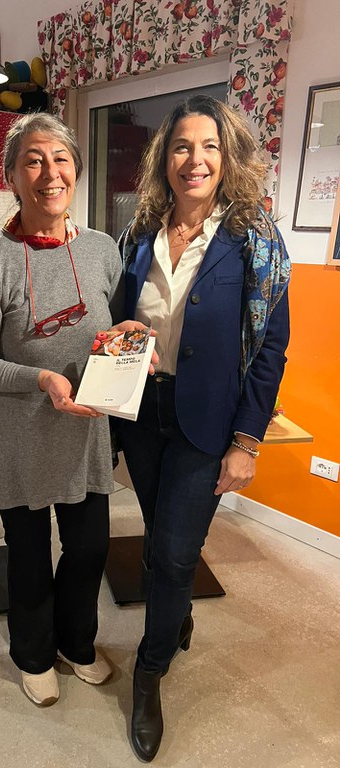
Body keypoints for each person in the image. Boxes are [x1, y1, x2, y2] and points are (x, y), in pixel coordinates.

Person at [0, 112, 150, 707]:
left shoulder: (101, 250)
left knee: (88, 551)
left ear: (76, 170)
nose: (50, 173)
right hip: (17, 439)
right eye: (33, 161)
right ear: (12, 176)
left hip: (85, 435)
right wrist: (41, 379)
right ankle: (33, 654)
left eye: (61, 159)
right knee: (31, 557)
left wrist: (127, 340)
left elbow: (108, 330)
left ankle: (76, 643)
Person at [114, 95, 291, 761]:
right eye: (182, 146)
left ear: (227, 156)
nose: (195, 159)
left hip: (206, 422)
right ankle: (178, 614)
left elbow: (271, 347)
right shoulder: (139, 234)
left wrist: (246, 441)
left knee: (173, 553)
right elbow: (121, 319)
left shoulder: (255, 240)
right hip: (143, 414)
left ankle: (149, 672)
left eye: (209, 146)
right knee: (158, 536)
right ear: (164, 158)